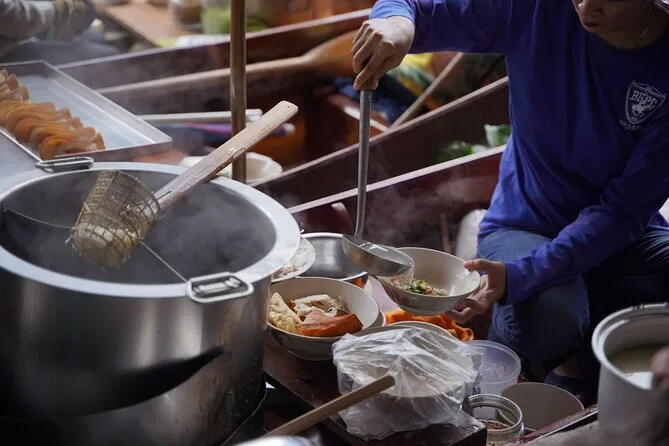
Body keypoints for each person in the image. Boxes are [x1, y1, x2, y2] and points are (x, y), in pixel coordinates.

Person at [352, 0, 669, 402]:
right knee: (548, 322)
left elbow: (623, 212)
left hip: (622, 237)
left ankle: (580, 359)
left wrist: (522, 276)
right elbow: (415, 7)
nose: (587, 7)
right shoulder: (536, 8)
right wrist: (397, 25)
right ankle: (559, 340)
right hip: (527, 223)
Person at [0, 0, 119, 65]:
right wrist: (62, 8)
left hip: (15, 35)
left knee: (97, 37)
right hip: (6, 54)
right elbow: (11, 17)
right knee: (111, 57)